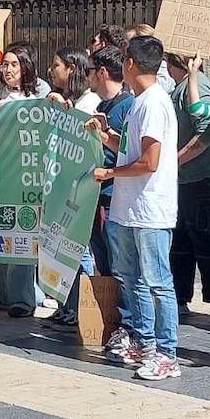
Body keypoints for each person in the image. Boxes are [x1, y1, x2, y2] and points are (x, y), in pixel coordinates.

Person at [89, 36, 181, 381]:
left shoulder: (154, 103)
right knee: (132, 279)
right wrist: (105, 135)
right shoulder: (141, 102)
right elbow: (130, 150)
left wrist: (109, 172)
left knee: (158, 281)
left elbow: (149, 162)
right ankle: (144, 342)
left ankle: (167, 352)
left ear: (129, 63)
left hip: (149, 209)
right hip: (129, 208)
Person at [164, 51, 210, 322]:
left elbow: (209, 130)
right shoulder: (181, 87)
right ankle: (181, 297)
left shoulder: (197, 85)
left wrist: (177, 160)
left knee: (204, 238)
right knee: (182, 240)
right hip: (185, 177)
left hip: (201, 177)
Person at [0, 44, 49, 318]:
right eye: (5, 64)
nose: (7, 69)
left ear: (25, 66)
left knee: (22, 240)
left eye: (14, 64)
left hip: (25, 177)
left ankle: (23, 299)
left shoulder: (39, 92)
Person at [81, 46, 134, 329]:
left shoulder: (128, 107)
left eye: (90, 71)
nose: (87, 77)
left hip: (116, 197)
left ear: (101, 73)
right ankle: (108, 319)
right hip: (98, 197)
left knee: (119, 264)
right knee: (102, 260)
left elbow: (128, 152)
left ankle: (127, 322)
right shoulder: (102, 108)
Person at [48, 48, 100, 115]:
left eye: (56, 65)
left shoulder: (89, 100)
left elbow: (82, 123)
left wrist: (63, 107)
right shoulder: (55, 96)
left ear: (71, 69)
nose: (50, 69)